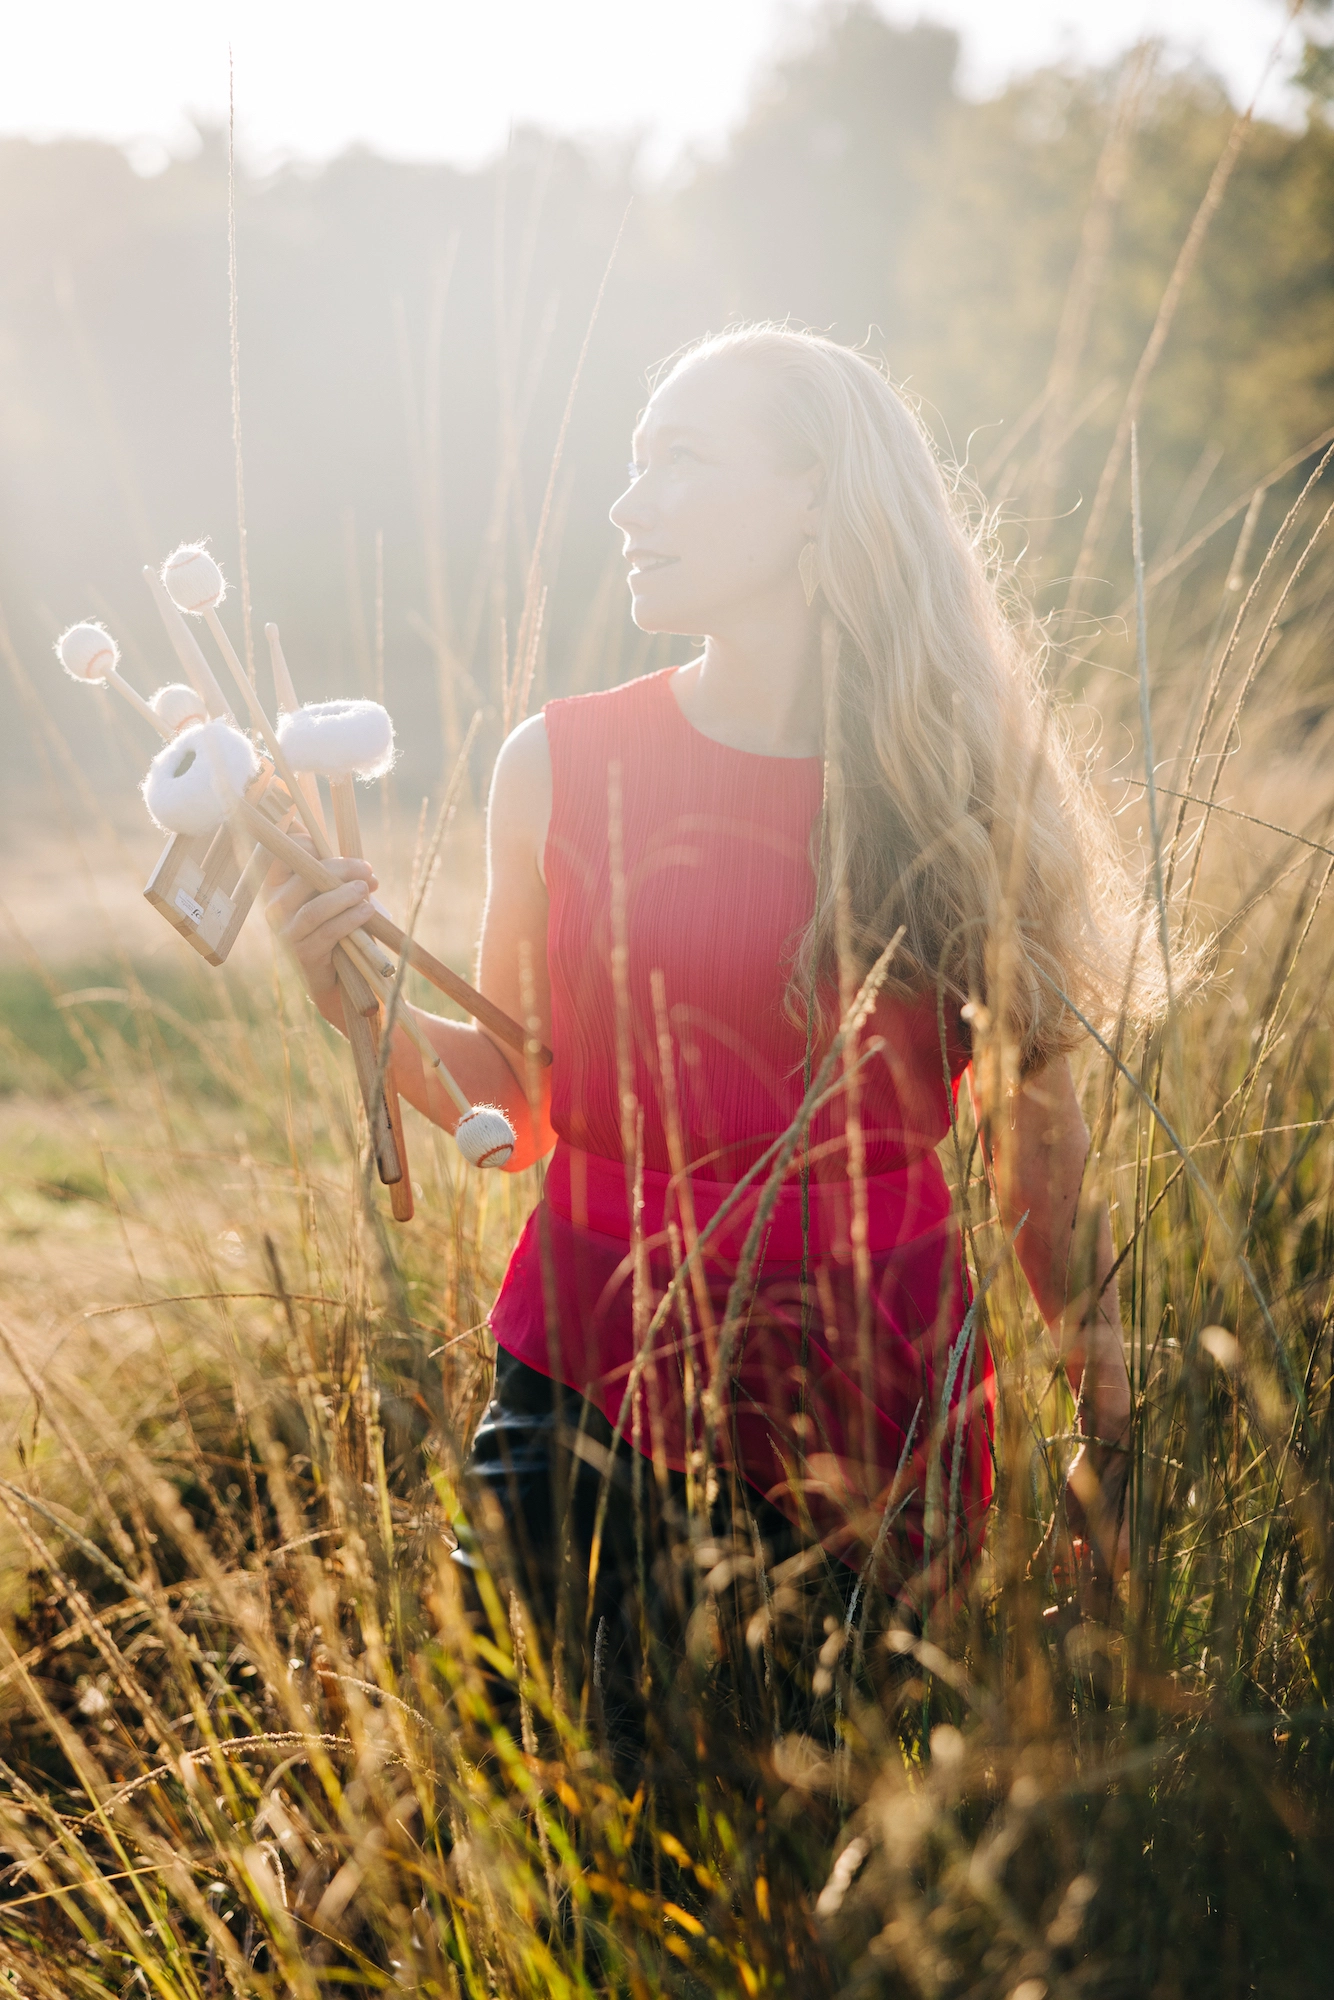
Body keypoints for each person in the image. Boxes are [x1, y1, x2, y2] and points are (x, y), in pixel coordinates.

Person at [265, 325, 1145, 1732]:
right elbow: (523, 1111)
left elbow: (1035, 1167)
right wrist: (351, 999)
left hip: (877, 1376)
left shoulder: (956, 780)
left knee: (823, 1813)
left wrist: (1101, 1439)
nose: (628, 505)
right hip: (586, 1352)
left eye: (678, 460)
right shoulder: (557, 762)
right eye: (631, 462)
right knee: (548, 1770)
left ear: (815, 492)